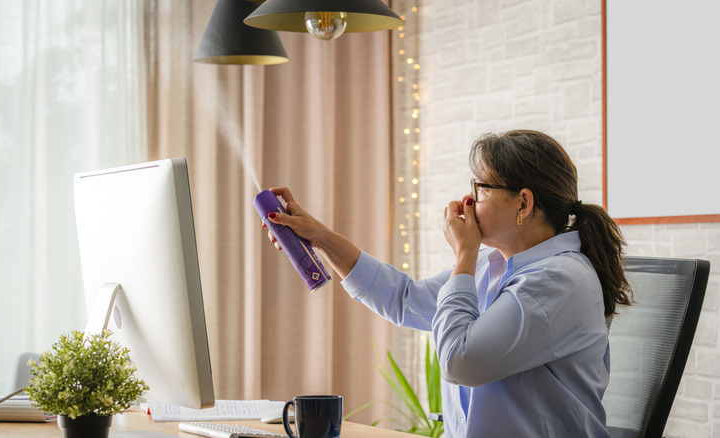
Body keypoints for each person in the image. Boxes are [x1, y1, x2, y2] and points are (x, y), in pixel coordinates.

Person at [263, 130, 632, 437]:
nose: (467, 200)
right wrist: (319, 237)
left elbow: (460, 361)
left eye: (481, 188)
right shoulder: (494, 266)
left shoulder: (558, 281)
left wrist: (464, 256)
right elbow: (405, 299)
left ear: (523, 204)